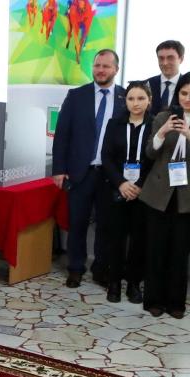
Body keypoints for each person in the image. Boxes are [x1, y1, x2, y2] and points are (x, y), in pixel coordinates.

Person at [51, 49, 126, 288]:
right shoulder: (76, 96)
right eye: (97, 66)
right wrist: (59, 168)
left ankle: (100, 268)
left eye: (106, 66)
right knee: (78, 223)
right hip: (80, 172)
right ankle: (75, 267)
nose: (100, 70)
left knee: (106, 225)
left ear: (116, 69)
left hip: (110, 175)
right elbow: (62, 135)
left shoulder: (127, 99)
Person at [138, 76, 190, 319]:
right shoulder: (162, 116)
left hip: (185, 196)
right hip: (159, 193)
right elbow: (149, 152)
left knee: (180, 252)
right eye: (183, 93)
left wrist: (188, 134)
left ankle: (176, 302)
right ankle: (154, 300)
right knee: (156, 249)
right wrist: (162, 132)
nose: (187, 98)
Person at [100, 81, 152, 304]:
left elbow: (154, 159)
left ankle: (133, 284)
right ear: (126, 101)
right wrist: (121, 183)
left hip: (144, 191)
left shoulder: (155, 125)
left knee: (139, 240)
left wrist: (139, 184)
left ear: (149, 100)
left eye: (141, 98)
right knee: (116, 239)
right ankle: (114, 284)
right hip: (118, 189)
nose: (136, 103)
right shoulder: (115, 124)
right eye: (131, 98)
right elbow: (107, 157)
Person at [146, 40, 185, 117]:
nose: (165, 63)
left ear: (181, 59)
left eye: (170, 58)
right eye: (161, 58)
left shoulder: (187, 85)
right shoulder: (147, 85)